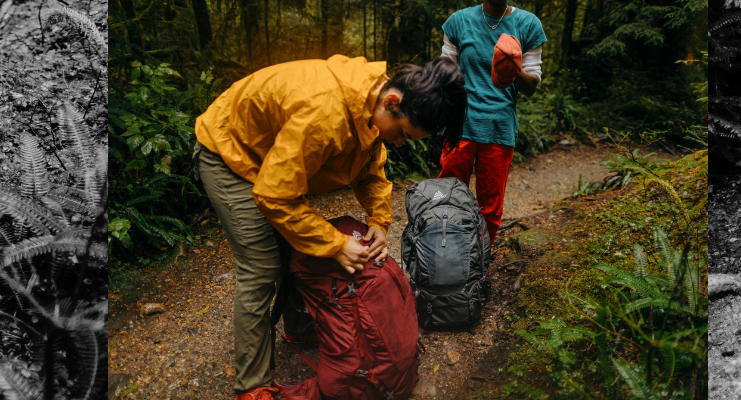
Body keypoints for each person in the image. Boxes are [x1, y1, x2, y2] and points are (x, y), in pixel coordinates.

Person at [194, 54, 463, 397]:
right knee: (261, 269)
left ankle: (298, 326)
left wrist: (379, 220)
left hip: (273, 162)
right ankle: (251, 386)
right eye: (402, 134)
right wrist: (336, 245)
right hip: (230, 152)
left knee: (296, 243)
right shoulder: (325, 113)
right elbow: (275, 196)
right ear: (392, 101)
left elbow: (371, 170)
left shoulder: (371, 105)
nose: (397, 143)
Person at [437, 0, 545, 240]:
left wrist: (511, 70)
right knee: (448, 198)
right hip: (459, 125)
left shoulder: (528, 24)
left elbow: (531, 86)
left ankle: (480, 263)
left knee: (490, 208)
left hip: (498, 127)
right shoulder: (458, 21)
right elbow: (445, 72)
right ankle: (444, 257)